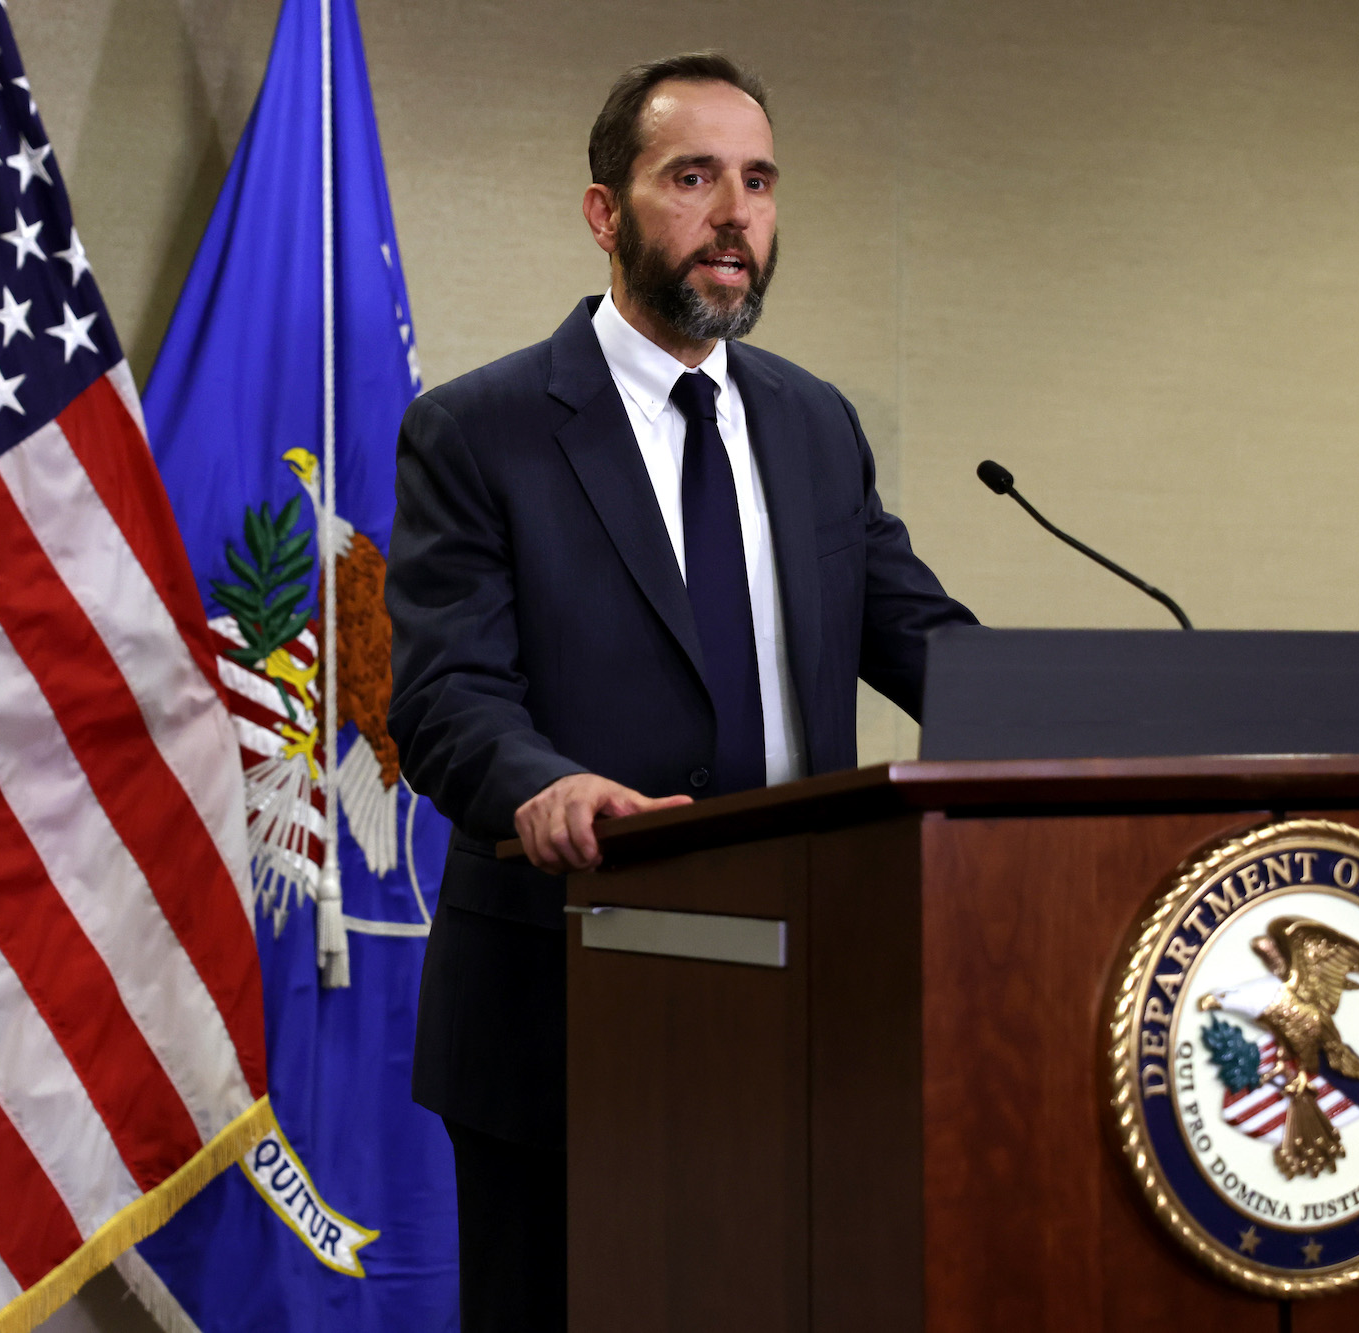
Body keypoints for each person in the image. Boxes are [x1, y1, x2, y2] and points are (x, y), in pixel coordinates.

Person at [385, 50, 977, 1331]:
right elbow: (443, 696)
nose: (734, 215)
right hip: (565, 1003)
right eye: (692, 176)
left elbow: (922, 638)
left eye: (757, 181)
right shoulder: (479, 430)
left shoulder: (815, 426)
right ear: (606, 212)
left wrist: (1083, 723)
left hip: (806, 998)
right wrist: (540, 787)